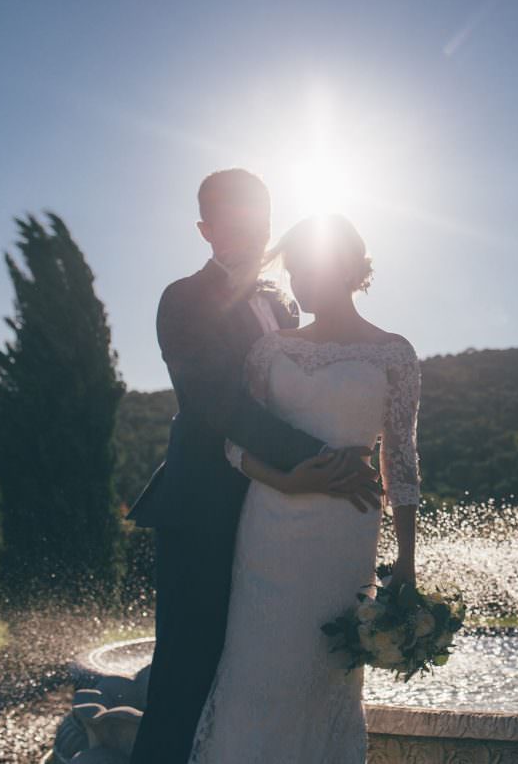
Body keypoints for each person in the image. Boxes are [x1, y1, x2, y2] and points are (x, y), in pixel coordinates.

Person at [127, 170, 382, 764]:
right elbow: (221, 405)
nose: (250, 229)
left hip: (280, 518)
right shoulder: (183, 298)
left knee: (256, 671)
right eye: (233, 218)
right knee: (188, 671)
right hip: (204, 511)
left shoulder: (283, 301)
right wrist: (325, 460)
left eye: (259, 217)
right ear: (205, 229)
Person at [187, 213, 420, 762]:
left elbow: (403, 463)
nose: (296, 285)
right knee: (258, 669)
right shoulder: (270, 351)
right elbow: (235, 444)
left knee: (326, 671)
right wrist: (288, 482)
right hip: (269, 527)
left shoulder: (394, 353)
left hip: (347, 533)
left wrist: (406, 562)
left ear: (345, 267)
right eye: (291, 273)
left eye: (306, 270)